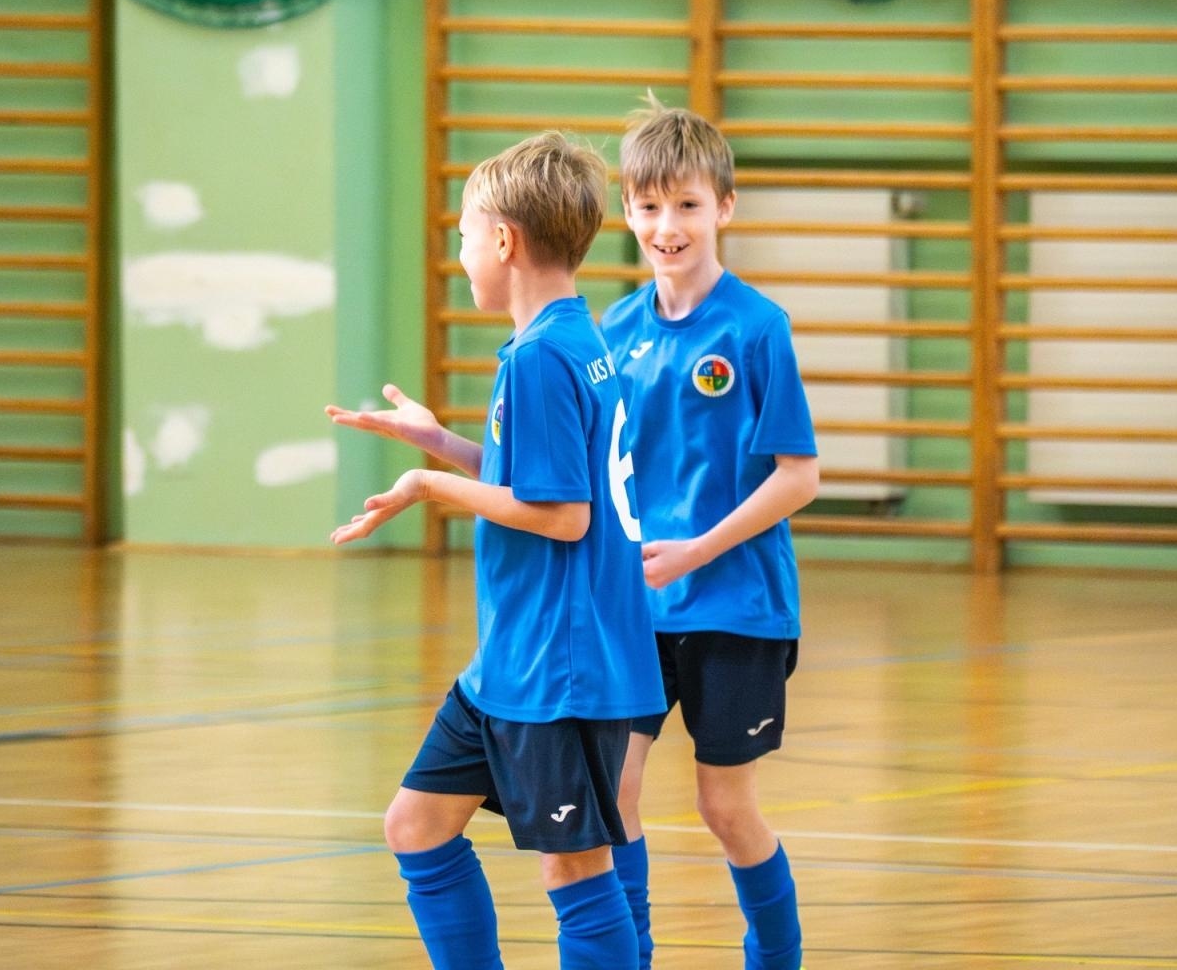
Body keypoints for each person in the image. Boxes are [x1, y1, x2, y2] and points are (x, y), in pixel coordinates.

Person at [326, 131, 665, 970]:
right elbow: (545, 479)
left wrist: (428, 487)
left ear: (506, 241)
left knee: (575, 871)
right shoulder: (567, 340)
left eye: (467, 236)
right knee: (416, 824)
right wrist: (444, 442)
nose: (464, 254)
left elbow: (562, 516)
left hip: (561, 669)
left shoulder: (546, 356)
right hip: (515, 663)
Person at [601, 97, 820, 970]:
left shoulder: (757, 327)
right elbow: (563, 468)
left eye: (687, 205)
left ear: (723, 208)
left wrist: (695, 551)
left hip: (737, 607)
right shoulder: (609, 333)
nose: (667, 225)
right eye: (649, 207)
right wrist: (441, 447)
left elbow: (798, 476)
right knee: (612, 790)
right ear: (627, 213)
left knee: (724, 809)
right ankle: (630, 956)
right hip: (638, 609)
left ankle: (777, 957)